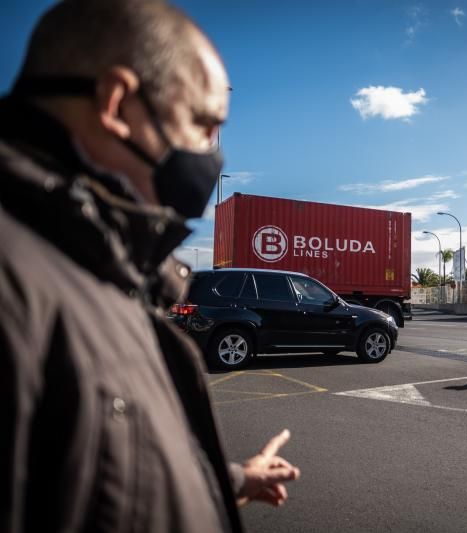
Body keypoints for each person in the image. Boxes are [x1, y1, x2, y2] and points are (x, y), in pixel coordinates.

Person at [0, 1, 298, 532]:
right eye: (204, 124)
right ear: (116, 105)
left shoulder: (99, 267)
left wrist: (228, 482)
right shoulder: (17, 279)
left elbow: (104, 468)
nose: (213, 154)